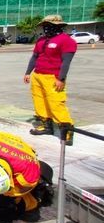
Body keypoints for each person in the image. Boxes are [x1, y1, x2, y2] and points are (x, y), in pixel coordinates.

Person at [23, 14, 76, 145]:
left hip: (53, 77)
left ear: (58, 26)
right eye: (45, 26)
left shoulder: (66, 41)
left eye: (49, 26)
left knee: (56, 103)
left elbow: (66, 62)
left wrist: (61, 78)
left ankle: (67, 130)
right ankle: (46, 125)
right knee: (39, 101)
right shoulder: (41, 40)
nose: (46, 29)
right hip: (38, 75)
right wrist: (28, 72)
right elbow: (35, 57)